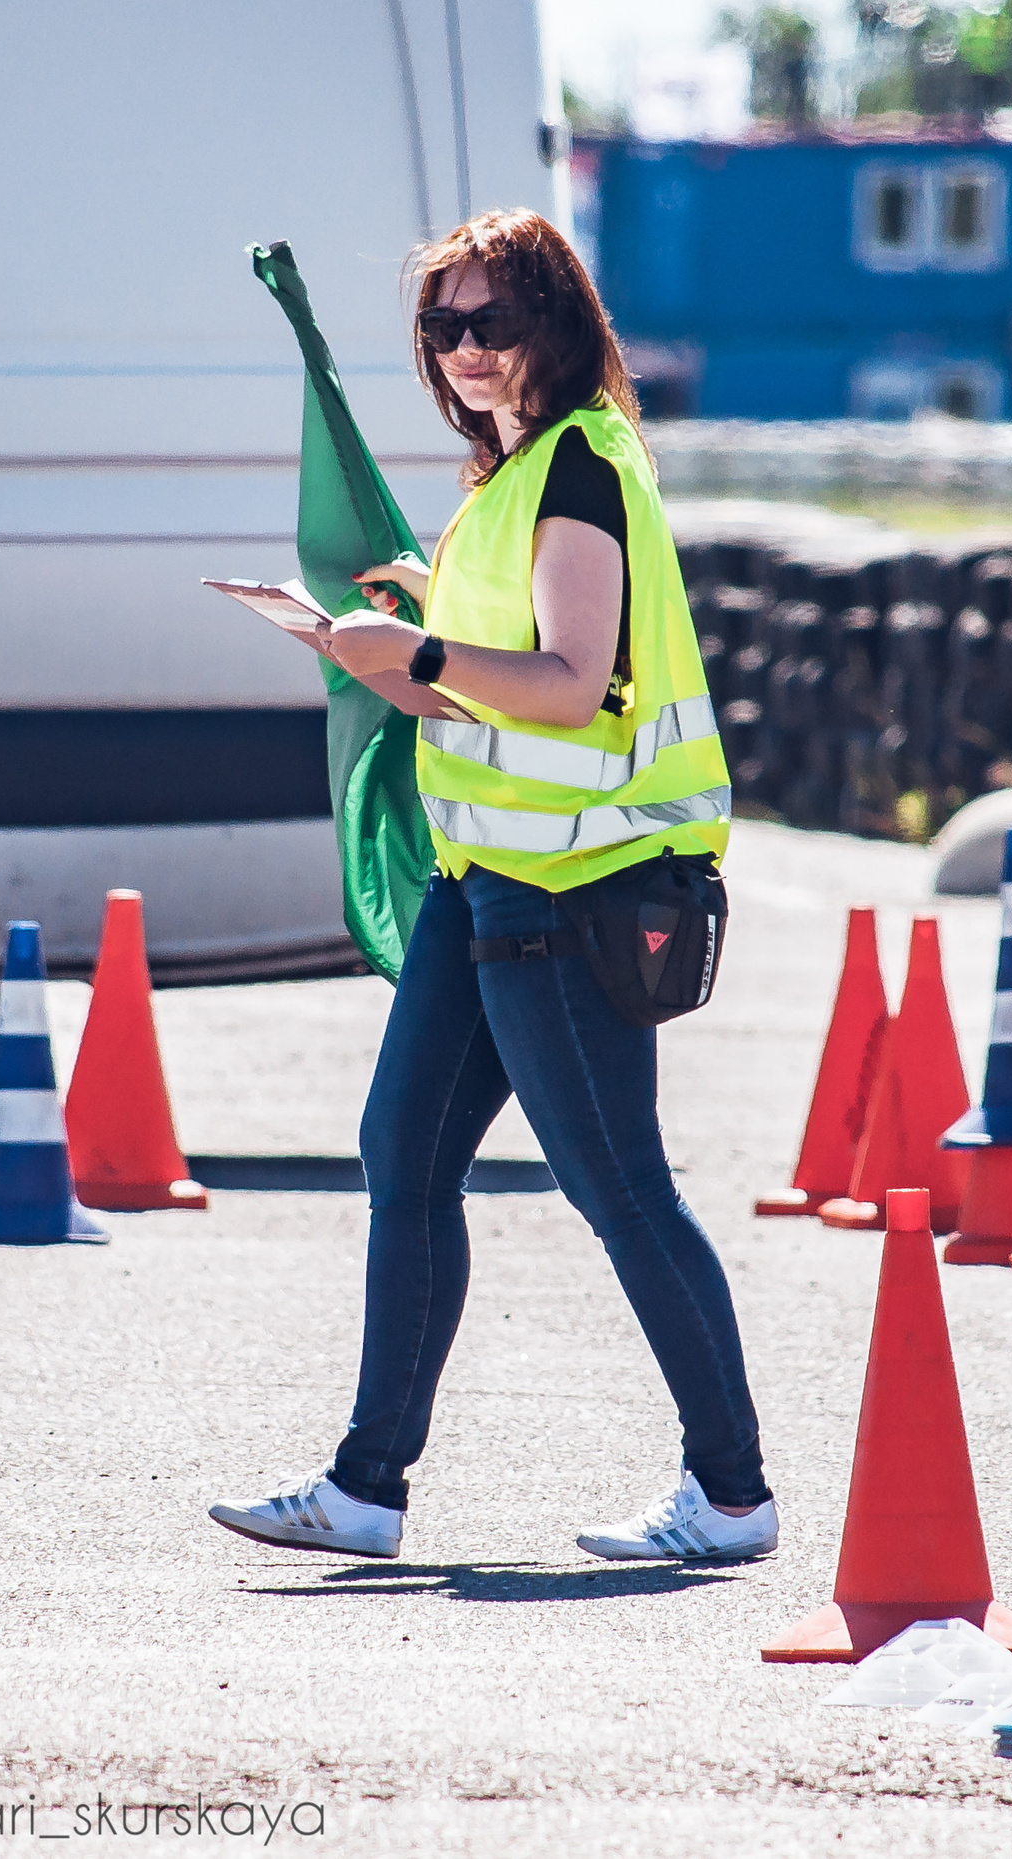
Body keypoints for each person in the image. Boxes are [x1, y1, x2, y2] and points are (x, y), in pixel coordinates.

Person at [209, 209, 774, 1563]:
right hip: (491, 884)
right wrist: (418, 610)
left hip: (577, 885)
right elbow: (511, 646)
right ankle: (366, 1488)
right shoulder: (509, 477)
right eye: (442, 327)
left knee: (620, 1186)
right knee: (403, 1159)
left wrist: (418, 658)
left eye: (492, 322)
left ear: (559, 329)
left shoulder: (581, 464)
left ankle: (735, 1496)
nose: (465, 349)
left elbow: (572, 685)